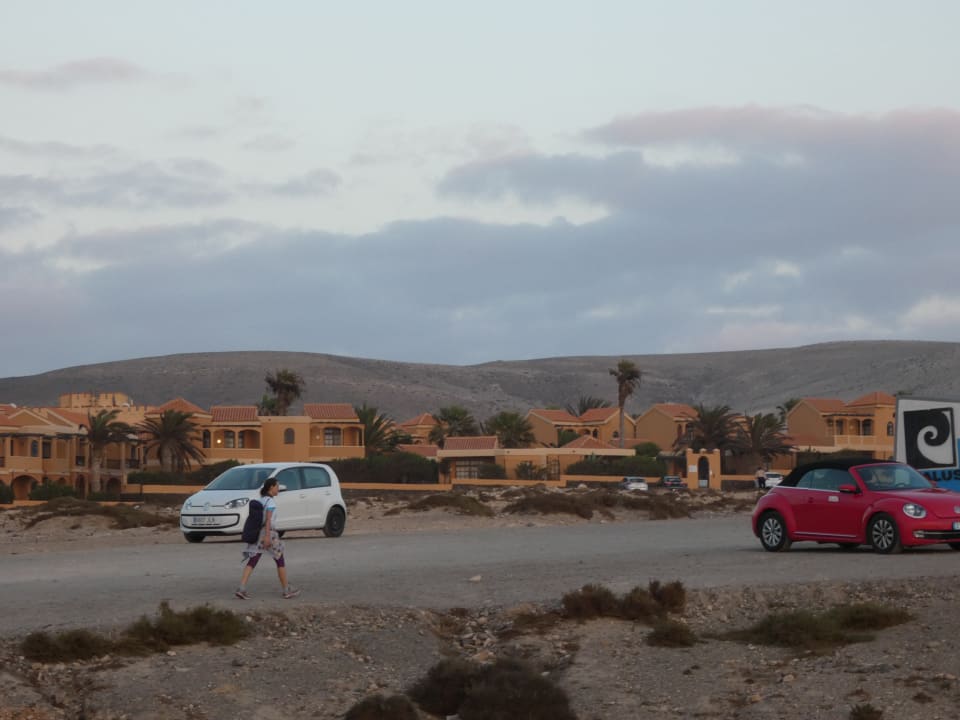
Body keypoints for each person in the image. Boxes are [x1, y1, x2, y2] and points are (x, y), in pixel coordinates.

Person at [235, 477, 300, 599]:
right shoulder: (270, 502)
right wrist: (268, 536)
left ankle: (241, 588)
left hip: (258, 533)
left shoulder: (261, 500)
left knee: (252, 560)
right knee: (280, 560)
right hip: (268, 534)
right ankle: (287, 590)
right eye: (277, 486)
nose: (278, 489)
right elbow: (269, 520)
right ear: (271, 487)